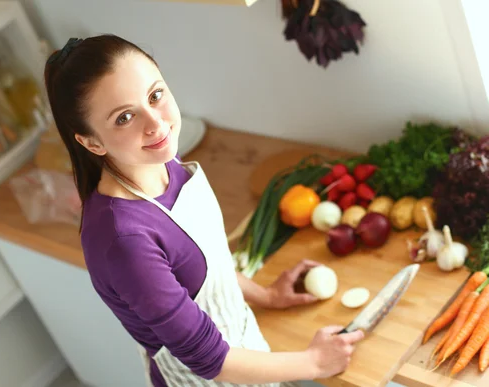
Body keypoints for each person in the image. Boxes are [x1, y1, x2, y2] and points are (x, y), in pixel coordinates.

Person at [43, 34, 365, 387]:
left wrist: (266, 295)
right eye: (124, 118)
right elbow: (211, 360)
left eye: (155, 95)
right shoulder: (125, 240)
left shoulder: (161, 163)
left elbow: (202, 264)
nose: (155, 123)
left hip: (251, 352)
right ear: (91, 142)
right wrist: (315, 363)